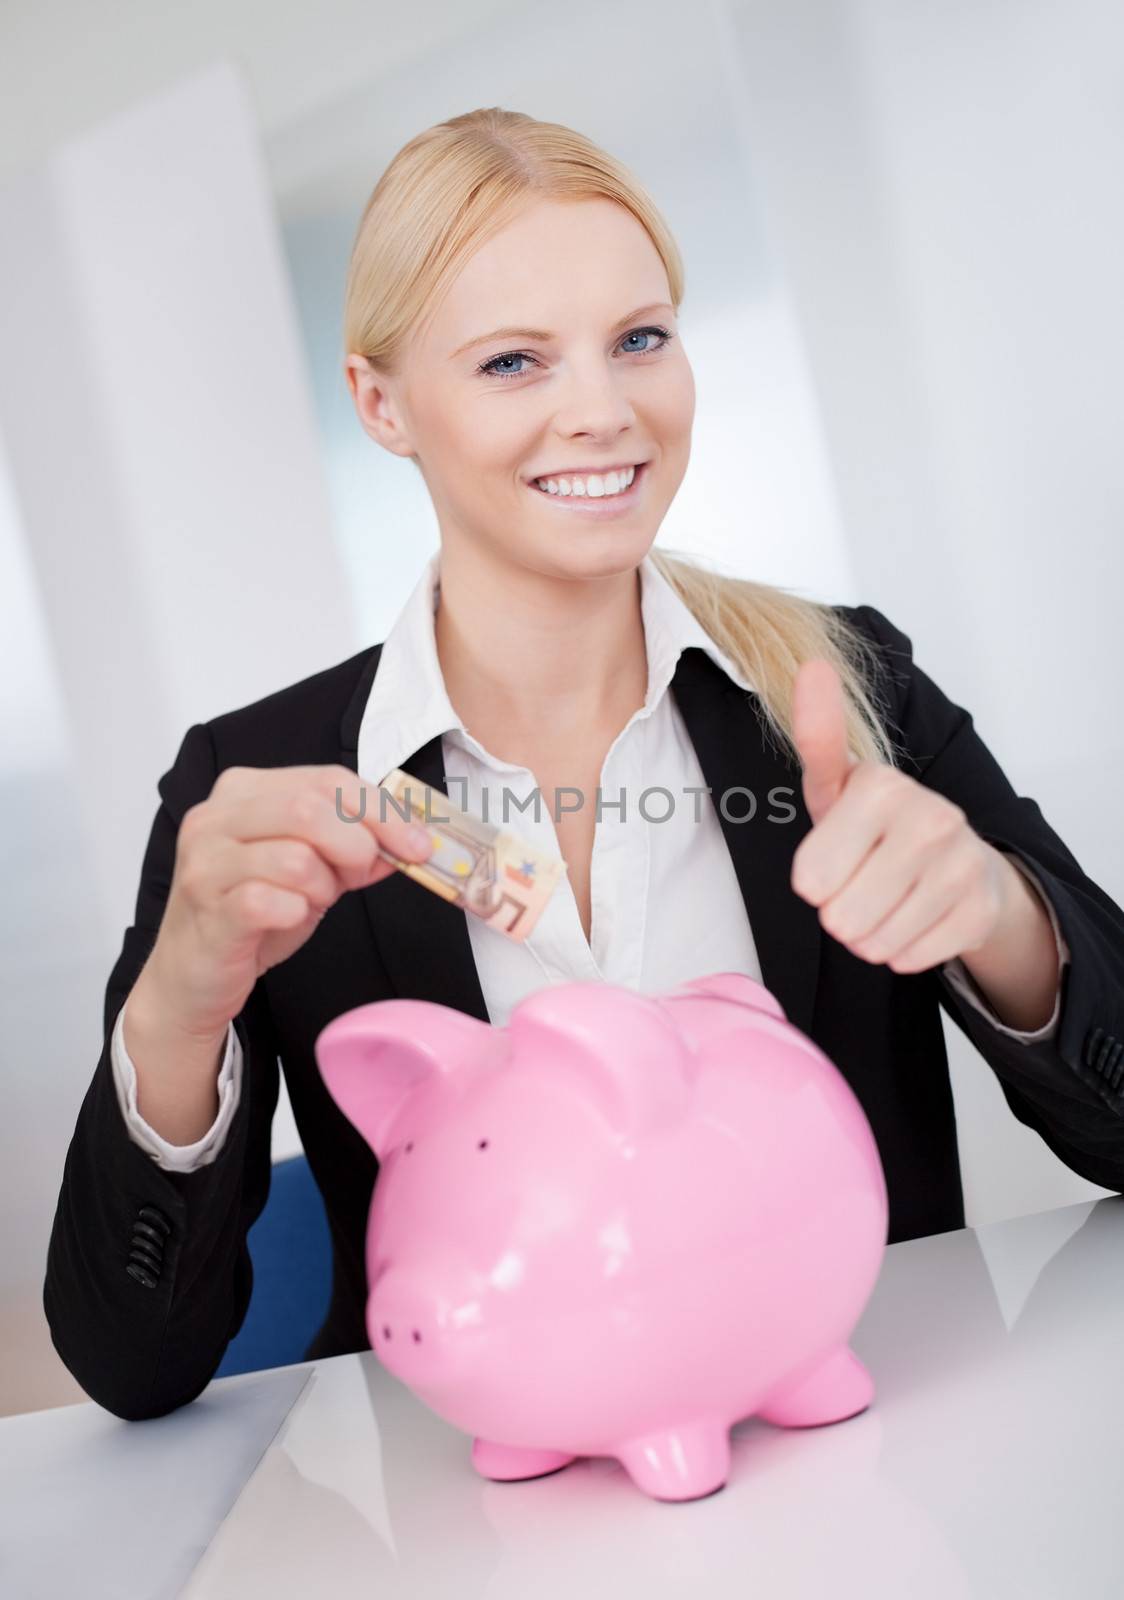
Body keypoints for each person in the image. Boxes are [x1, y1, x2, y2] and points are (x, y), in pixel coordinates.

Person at [43, 108, 1124, 1422]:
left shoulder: (842, 685)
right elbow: (129, 1366)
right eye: (513, 361)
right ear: (382, 404)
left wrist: (1005, 924)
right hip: (491, 1515)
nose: (604, 410)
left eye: (640, 339)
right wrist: (175, 1008)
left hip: (861, 1447)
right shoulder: (257, 784)